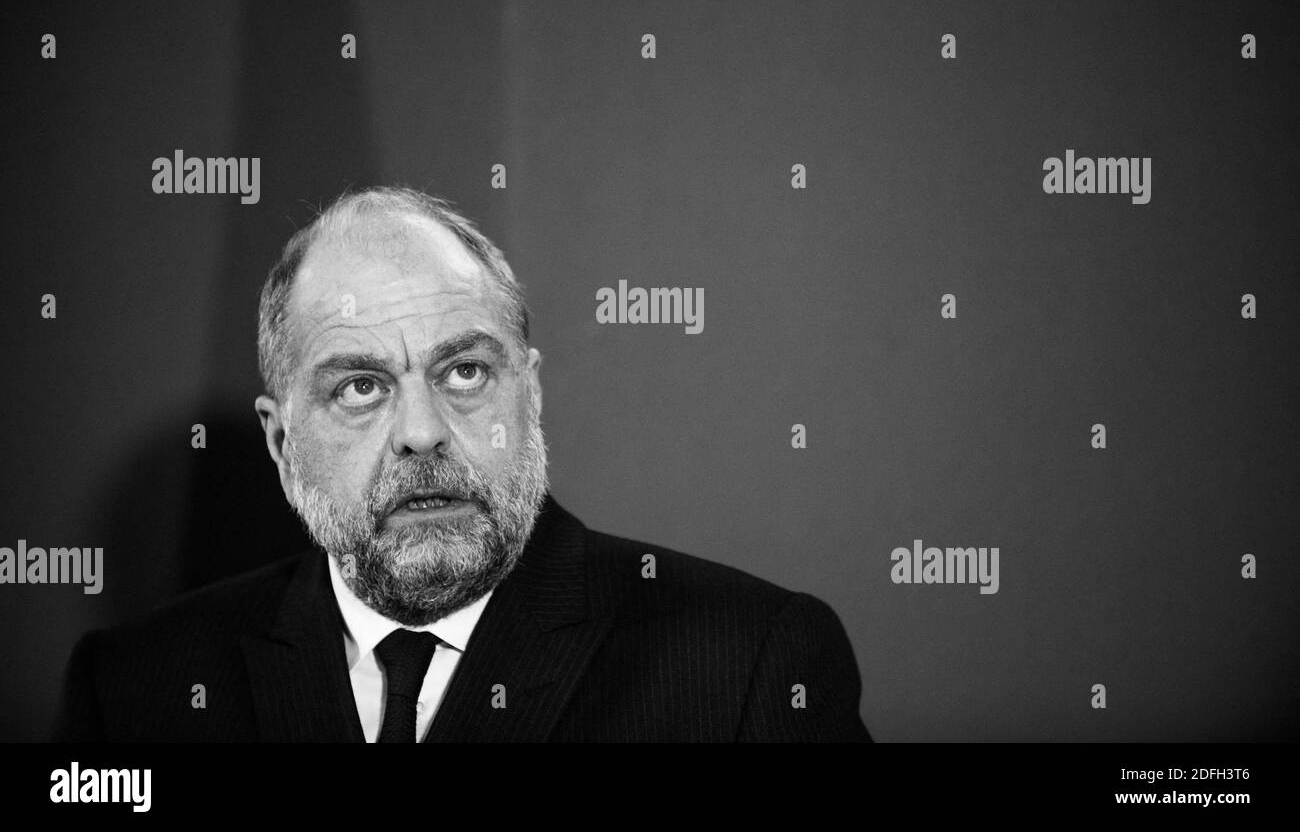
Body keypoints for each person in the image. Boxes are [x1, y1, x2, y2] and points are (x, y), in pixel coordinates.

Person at [54, 186, 870, 742]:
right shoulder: (134, 692)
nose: (421, 432)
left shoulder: (750, 669)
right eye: (361, 385)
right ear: (281, 442)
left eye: (464, 372)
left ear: (531, 395)